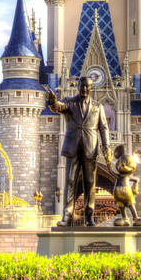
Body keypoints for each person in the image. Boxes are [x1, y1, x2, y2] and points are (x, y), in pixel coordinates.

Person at [48, 76, 112, 227]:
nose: (84, 89)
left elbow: (103, 127)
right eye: (82, 86)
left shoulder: (98, 107)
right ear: (78, 86)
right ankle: (67, 216)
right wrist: (52, 101)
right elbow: (58, 107)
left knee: (90, 183)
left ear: (91, 88)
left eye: (87, 86)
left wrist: (106, 146)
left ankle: (89, 217)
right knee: (70, 181)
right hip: (73, 148)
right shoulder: (70, 102)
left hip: (90, 149)